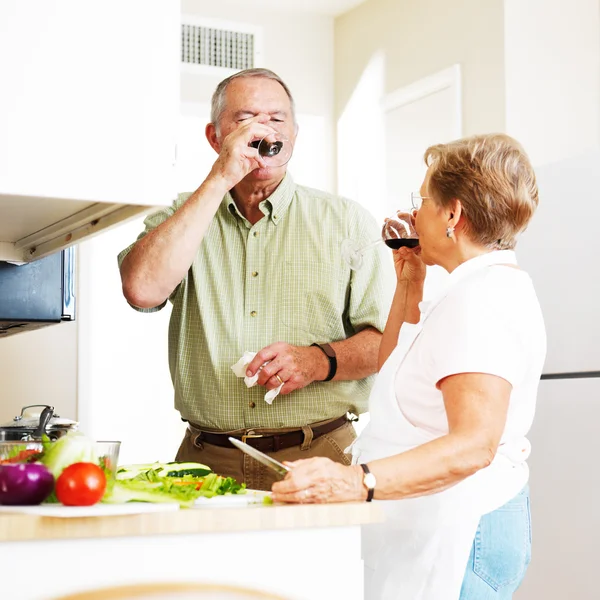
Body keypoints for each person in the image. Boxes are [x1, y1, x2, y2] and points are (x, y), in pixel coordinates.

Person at [272, 133, 546, 600]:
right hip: (431, 523)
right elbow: (391, 365)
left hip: (461, 532)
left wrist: (357, 481)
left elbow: (473, 445)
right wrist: (409, 280)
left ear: (452, 215)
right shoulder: (461, 288)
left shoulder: (483, 302)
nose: (415, 213)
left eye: (422, 201)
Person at [117, 68, 394, 491]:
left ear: (294, 135)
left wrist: (317, 361)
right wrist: (221, 177)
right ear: (215, 137)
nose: (263, 129)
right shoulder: (180, 218)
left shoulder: (348, 222)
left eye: (277, 119)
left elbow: (386, 343)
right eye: (246, 119)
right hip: (205, 461)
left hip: (320, 455)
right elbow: (141, 289)